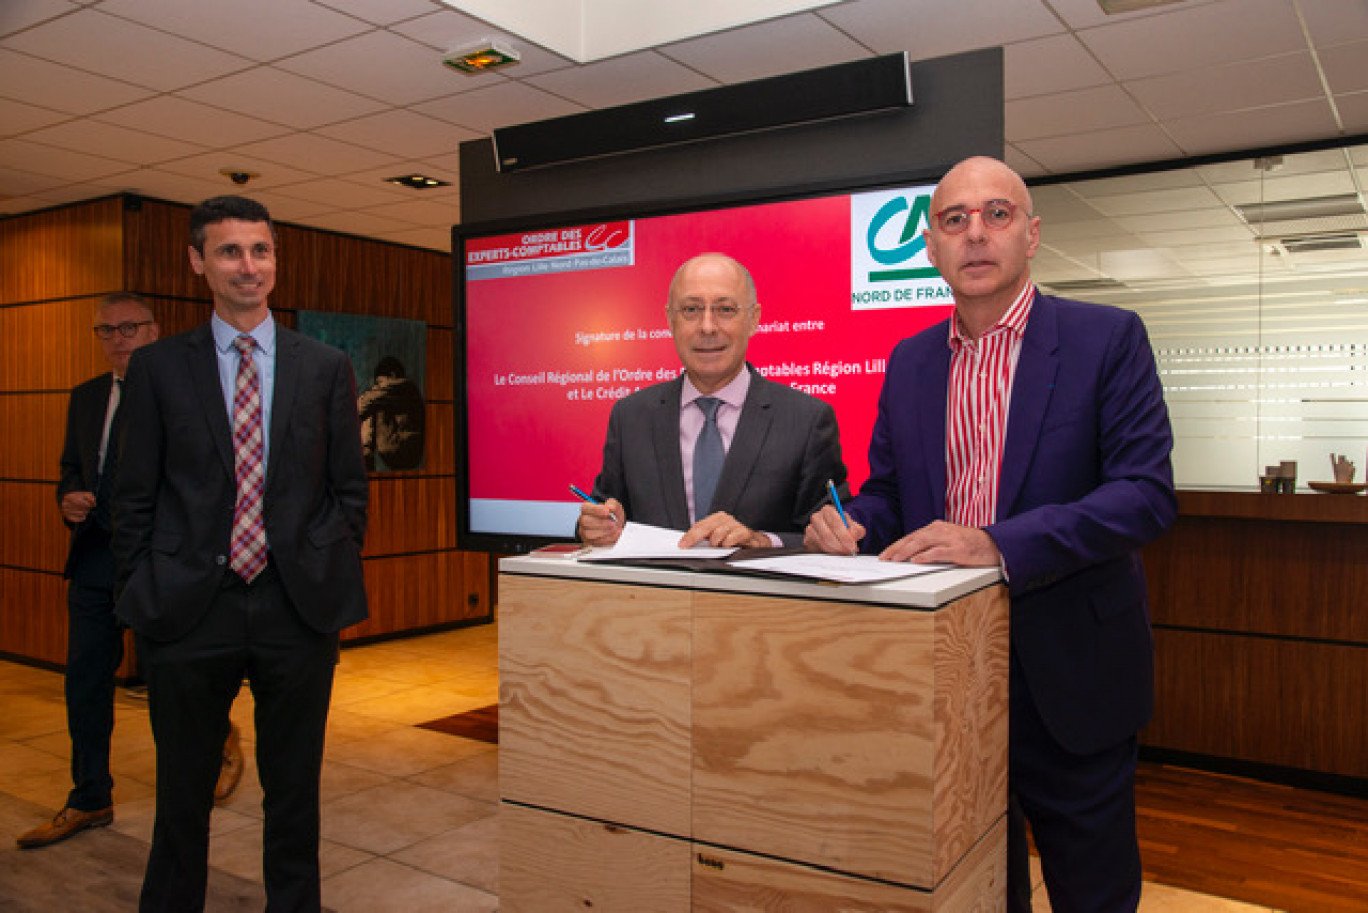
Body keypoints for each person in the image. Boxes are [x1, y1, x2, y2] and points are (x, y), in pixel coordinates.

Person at [805, 156, 1176, 913]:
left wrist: (999, 542)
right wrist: (851, 522)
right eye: (954, 220)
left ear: (1031, 235)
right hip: (944, 679)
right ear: (932, 250)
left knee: (1093, 894)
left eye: (996, 214)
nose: (975, 233)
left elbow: (1144, 496)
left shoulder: (1108, 338)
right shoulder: (909, 361)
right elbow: (890, 492)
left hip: (1075, 677)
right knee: (974, 888)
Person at [112, 195, 369, 912]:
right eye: (230, 251)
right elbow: (133, 495)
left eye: (260, 250)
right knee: (182, 801)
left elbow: (349, 488)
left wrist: (326, 562)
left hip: (296, 608)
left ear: (275, 261)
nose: (248, 266)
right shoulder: (160, 368)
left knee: (295, 799)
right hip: (190, 611)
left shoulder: (324, 366)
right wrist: (141, 586)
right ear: (198, 262)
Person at [578, 252, 847, 549]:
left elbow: (829, 538)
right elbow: (605, 512)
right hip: (654, 594)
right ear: (670, 319)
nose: (707, 327)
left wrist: (761, 541)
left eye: (725, 310)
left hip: (756, 594)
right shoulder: (631, 417)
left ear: (753, 320)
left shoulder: (806, 420)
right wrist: (595, 527)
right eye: (691, 309)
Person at [358, 355, 425, 471]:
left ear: (392, 375)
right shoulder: (401, 392)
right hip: (402, 448)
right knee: (374, 403)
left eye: (379, 383)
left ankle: (366, 455)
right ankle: (366, 455)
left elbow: (363, 404)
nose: (377, 387)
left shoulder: (405, 386)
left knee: (374, 403)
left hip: (403, 448)